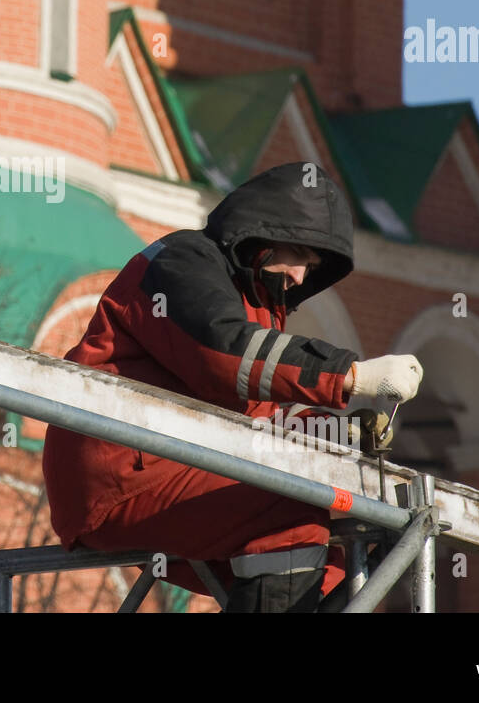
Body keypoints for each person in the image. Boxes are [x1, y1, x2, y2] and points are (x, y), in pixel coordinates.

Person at [41, 161, 423, 612]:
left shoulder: (255, 303)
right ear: (263, 234)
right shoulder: (182, 261)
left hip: (173, 469)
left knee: (358, 538)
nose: (301, 278)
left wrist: (341, 433)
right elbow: (223, 355)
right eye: (300, 256)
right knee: (292, 509)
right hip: (121, 473)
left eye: (311, 266)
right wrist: (351, 375)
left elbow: (260, 416)